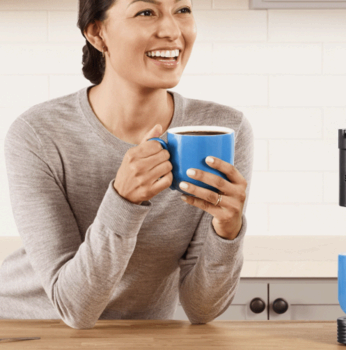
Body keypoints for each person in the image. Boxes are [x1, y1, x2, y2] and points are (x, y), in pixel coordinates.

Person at [0, 0, 253, 330]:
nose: (171, 30)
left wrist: (228, 229)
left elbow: (201, 309)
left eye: (183, 10)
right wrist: (124, 201)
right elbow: (74, 307)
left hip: (140, 334)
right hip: (26, 329)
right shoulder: (38, 133)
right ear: (97, 33)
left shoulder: (222, 130)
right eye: (146, 12)